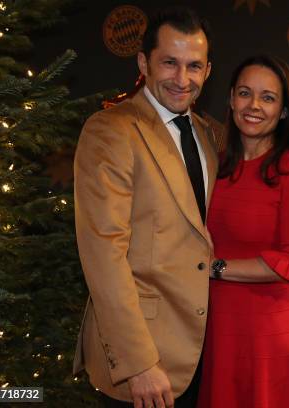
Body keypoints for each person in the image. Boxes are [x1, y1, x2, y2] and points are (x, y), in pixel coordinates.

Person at [72, 7, 217, 408]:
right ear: (143, 62)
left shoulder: (206, 134)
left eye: (194, 66)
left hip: (196, 354)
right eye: (169, 63)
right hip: (142, 364)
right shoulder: (110, 131)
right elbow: (103, 254)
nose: (182, 79)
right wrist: (137, 362)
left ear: (207, 71)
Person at [197, 55, 289, 407]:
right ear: (230, 100)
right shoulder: (215, 164)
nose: (254, 105)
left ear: (284, 110)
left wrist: (213, 267)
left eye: (268, 97)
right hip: (224, 338)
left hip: (276, 342)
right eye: (245, 93)